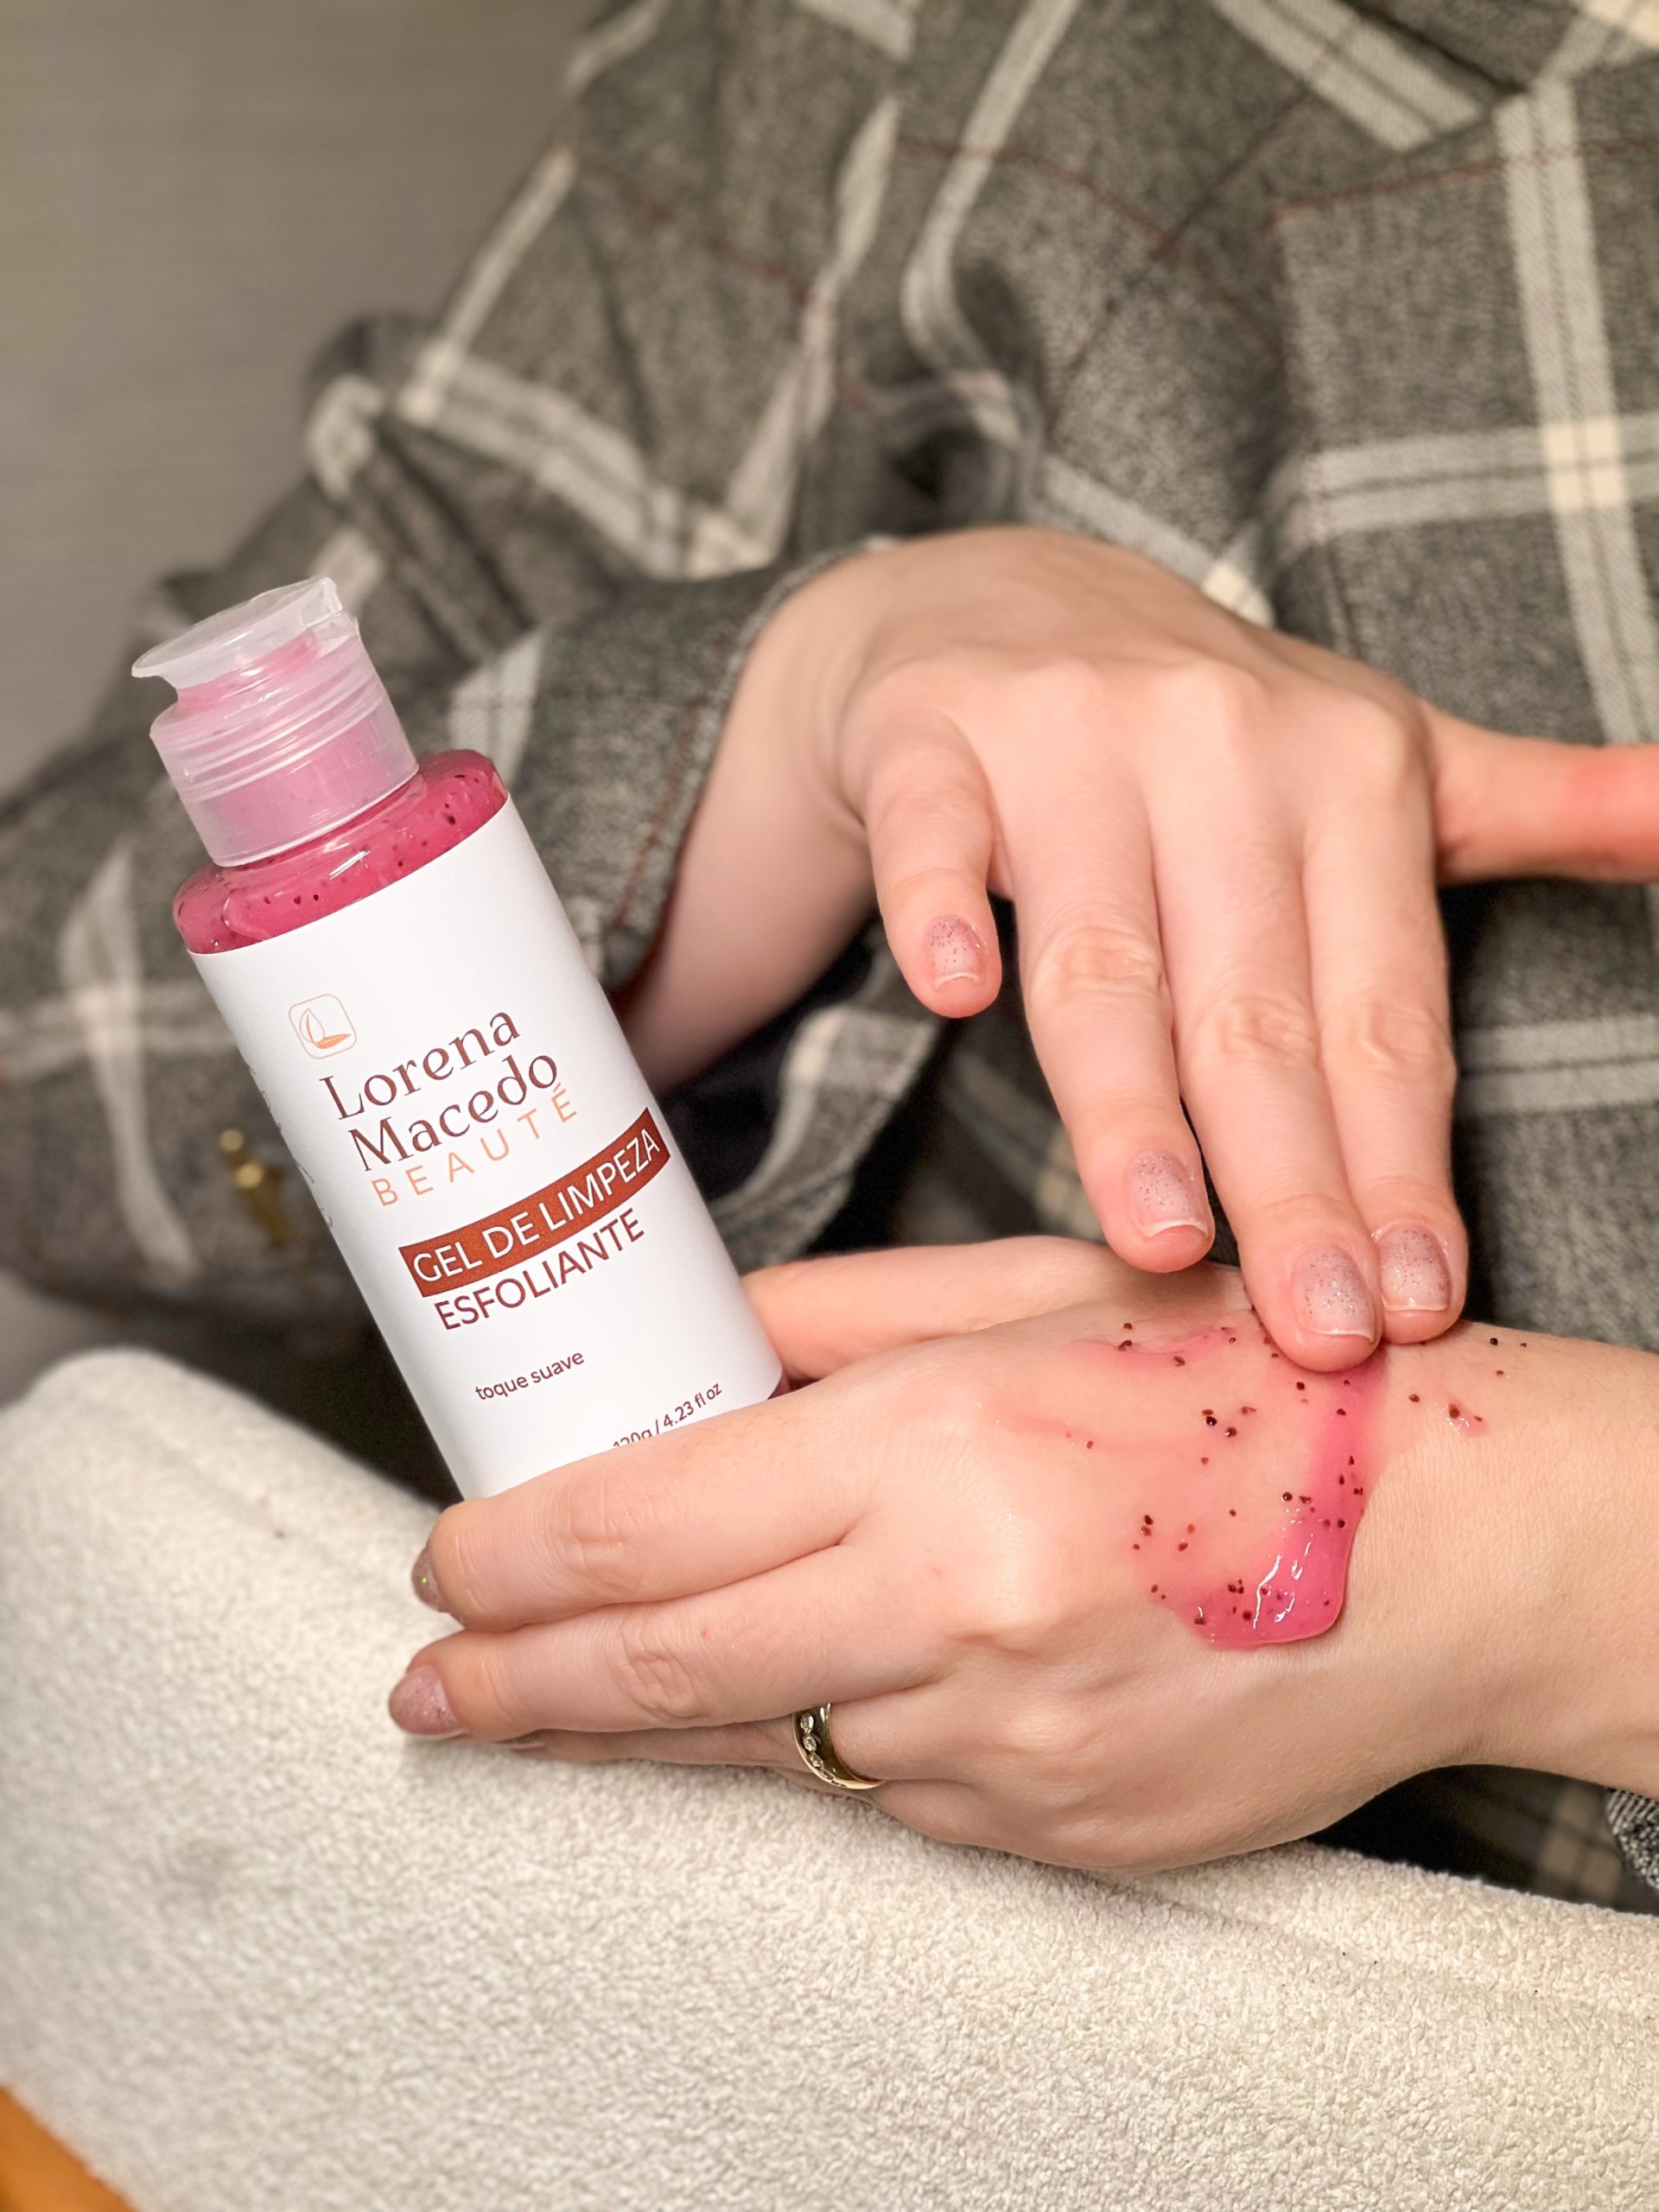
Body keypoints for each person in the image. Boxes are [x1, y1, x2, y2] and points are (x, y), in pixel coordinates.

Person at [3, 0, 1656, 1904]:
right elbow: (44, 1034)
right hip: (735, 1922)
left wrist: (1556, 1564)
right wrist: (788, 706)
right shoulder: (928, 54)